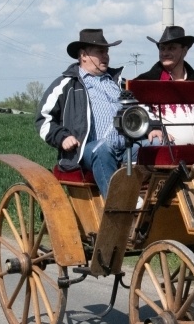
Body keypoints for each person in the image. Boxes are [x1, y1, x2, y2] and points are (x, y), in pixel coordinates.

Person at [36, 28, 126, 197]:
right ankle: (117, 208)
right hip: (85, 151)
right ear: (84, 55)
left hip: (125, 147)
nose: (106, 56)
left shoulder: (120, 83)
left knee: (154, 147)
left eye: (107, 52)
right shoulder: (67, 84)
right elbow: (43, 118)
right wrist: (62, 137)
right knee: (102, 148)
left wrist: (154, 128)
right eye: (100, 52)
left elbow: (143, 109)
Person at [136, 25, 194, 145]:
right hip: (167, 152)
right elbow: (137, 110)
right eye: (162, 49)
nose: (165, 53)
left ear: (184, 51)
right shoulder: (145, 82)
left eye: (171, 48)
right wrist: (152, 128)